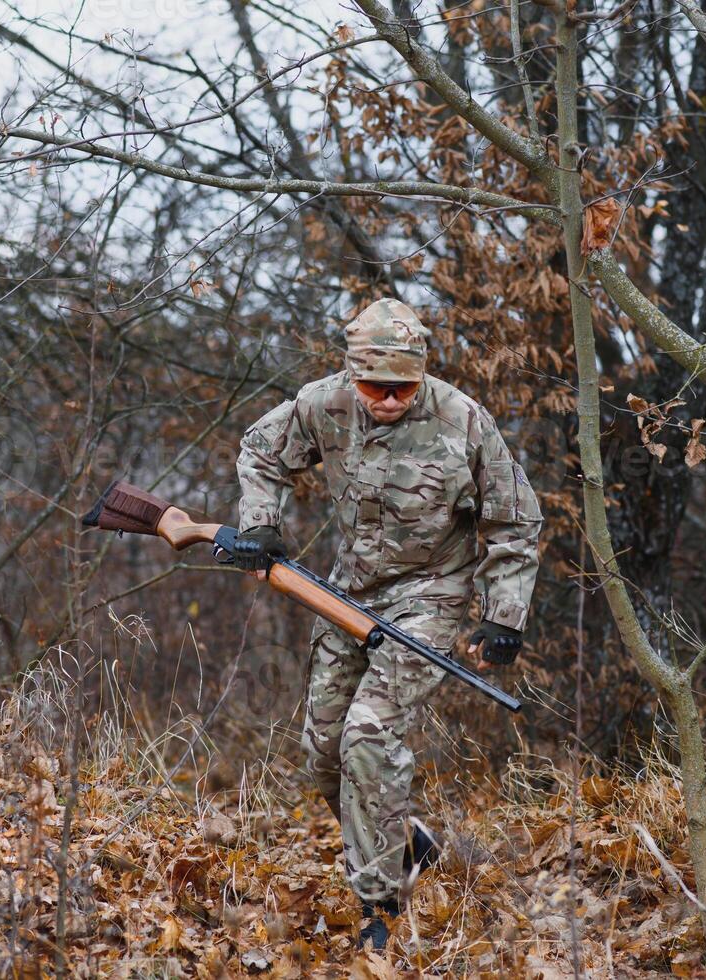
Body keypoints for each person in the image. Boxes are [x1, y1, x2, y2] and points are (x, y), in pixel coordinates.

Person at [232, 297, 542, 952]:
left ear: (421, 376)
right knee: (322, 753)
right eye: (376, 386)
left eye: (404, 386)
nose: (391, 399)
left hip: (432, 596)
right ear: (353, 375)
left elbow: (514, 520)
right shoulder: (324, 404)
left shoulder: (463, 421)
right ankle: (407, 842)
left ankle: (380, 906)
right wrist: (261, 521)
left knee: (367, 735)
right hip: (347, 595)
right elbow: (261, 450)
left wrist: (504, 616)